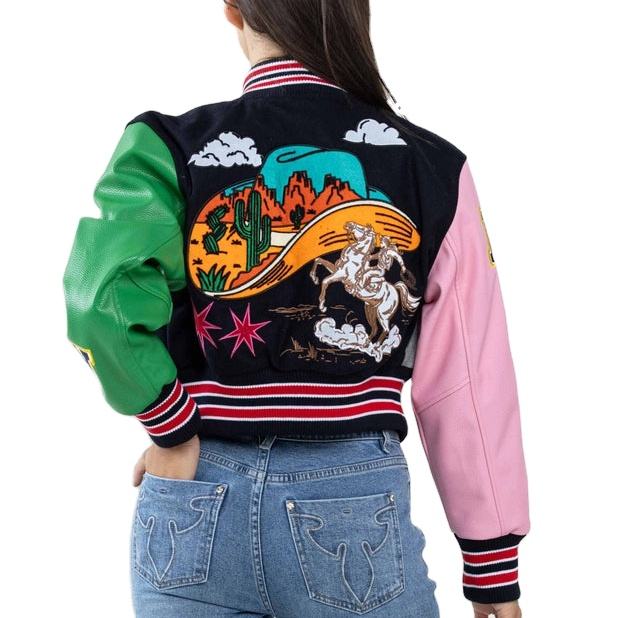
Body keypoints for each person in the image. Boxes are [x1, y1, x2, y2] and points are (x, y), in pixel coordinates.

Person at [62, 1, 530, 616]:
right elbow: (467, 378)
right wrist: (491, 560)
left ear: (233, 11)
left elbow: (100, 300)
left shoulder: (166, 149)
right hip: (352, 501)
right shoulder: (432, 167)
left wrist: (170, 424)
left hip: (191, 493)